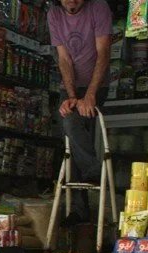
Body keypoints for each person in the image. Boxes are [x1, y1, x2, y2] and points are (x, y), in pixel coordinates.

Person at [48, 0, 112, 221]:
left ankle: (81, 203)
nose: (72, 2)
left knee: (73, 129)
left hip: (96, 83)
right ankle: (91, 174)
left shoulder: (98, 8)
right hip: (71, 85)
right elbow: (64, 59)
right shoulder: (54, 14)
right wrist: (72, 96)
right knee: (69, 127)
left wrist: (91, 94)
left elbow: (103, 53)